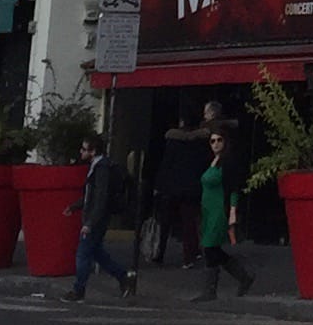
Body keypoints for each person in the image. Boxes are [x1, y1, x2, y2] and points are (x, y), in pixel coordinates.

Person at [189, 126, 256, 299]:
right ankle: (243, 277)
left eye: (219, 140)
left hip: (219, 210)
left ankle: (210, 290)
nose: (216, 144)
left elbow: (233, 188)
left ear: (225, 142)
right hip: (207, 210)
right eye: (213, 141)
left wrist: (232, 211)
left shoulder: (227, 163)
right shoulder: (211, 161)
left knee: (210, 247)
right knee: (212, 248)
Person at [69, 135, 137, 303]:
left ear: (93, 151)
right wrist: (75, 206)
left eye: (84, 149)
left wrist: (90, 223)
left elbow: (100, 198)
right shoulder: (98, 166)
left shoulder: (101, 169)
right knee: (97, 253)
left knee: (83, 254)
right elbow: (91, 195)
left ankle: (78, 290)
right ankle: (123, 276)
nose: (81, 152)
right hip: (97, 216)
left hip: (96, 218)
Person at [146, 112, 210, 266]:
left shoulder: (173, 141)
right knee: (189, 223)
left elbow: (166, 165)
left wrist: (158, 186)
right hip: (192, 188)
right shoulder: (201, 142)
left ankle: (158, 253)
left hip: (171, 187)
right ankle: (189, 257)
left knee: (164, 222)